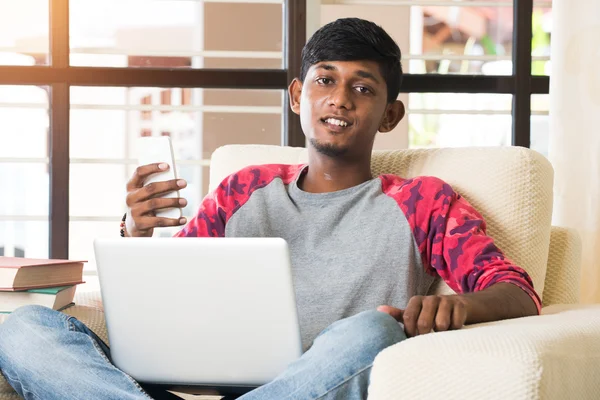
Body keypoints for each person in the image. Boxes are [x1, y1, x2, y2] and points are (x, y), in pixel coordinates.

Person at [0, 18, 540, 400]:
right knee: (22, 327)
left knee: (374, 333)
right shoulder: (243, 189)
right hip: (204, 378)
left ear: (391, 114)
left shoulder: (424, 201)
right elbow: (169, 291)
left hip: (320, 385)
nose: (340, 98)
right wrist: (136, 235)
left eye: (363, 87)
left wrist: (462, 308)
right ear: (297, 95)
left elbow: (516, 289)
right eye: (325, 80)